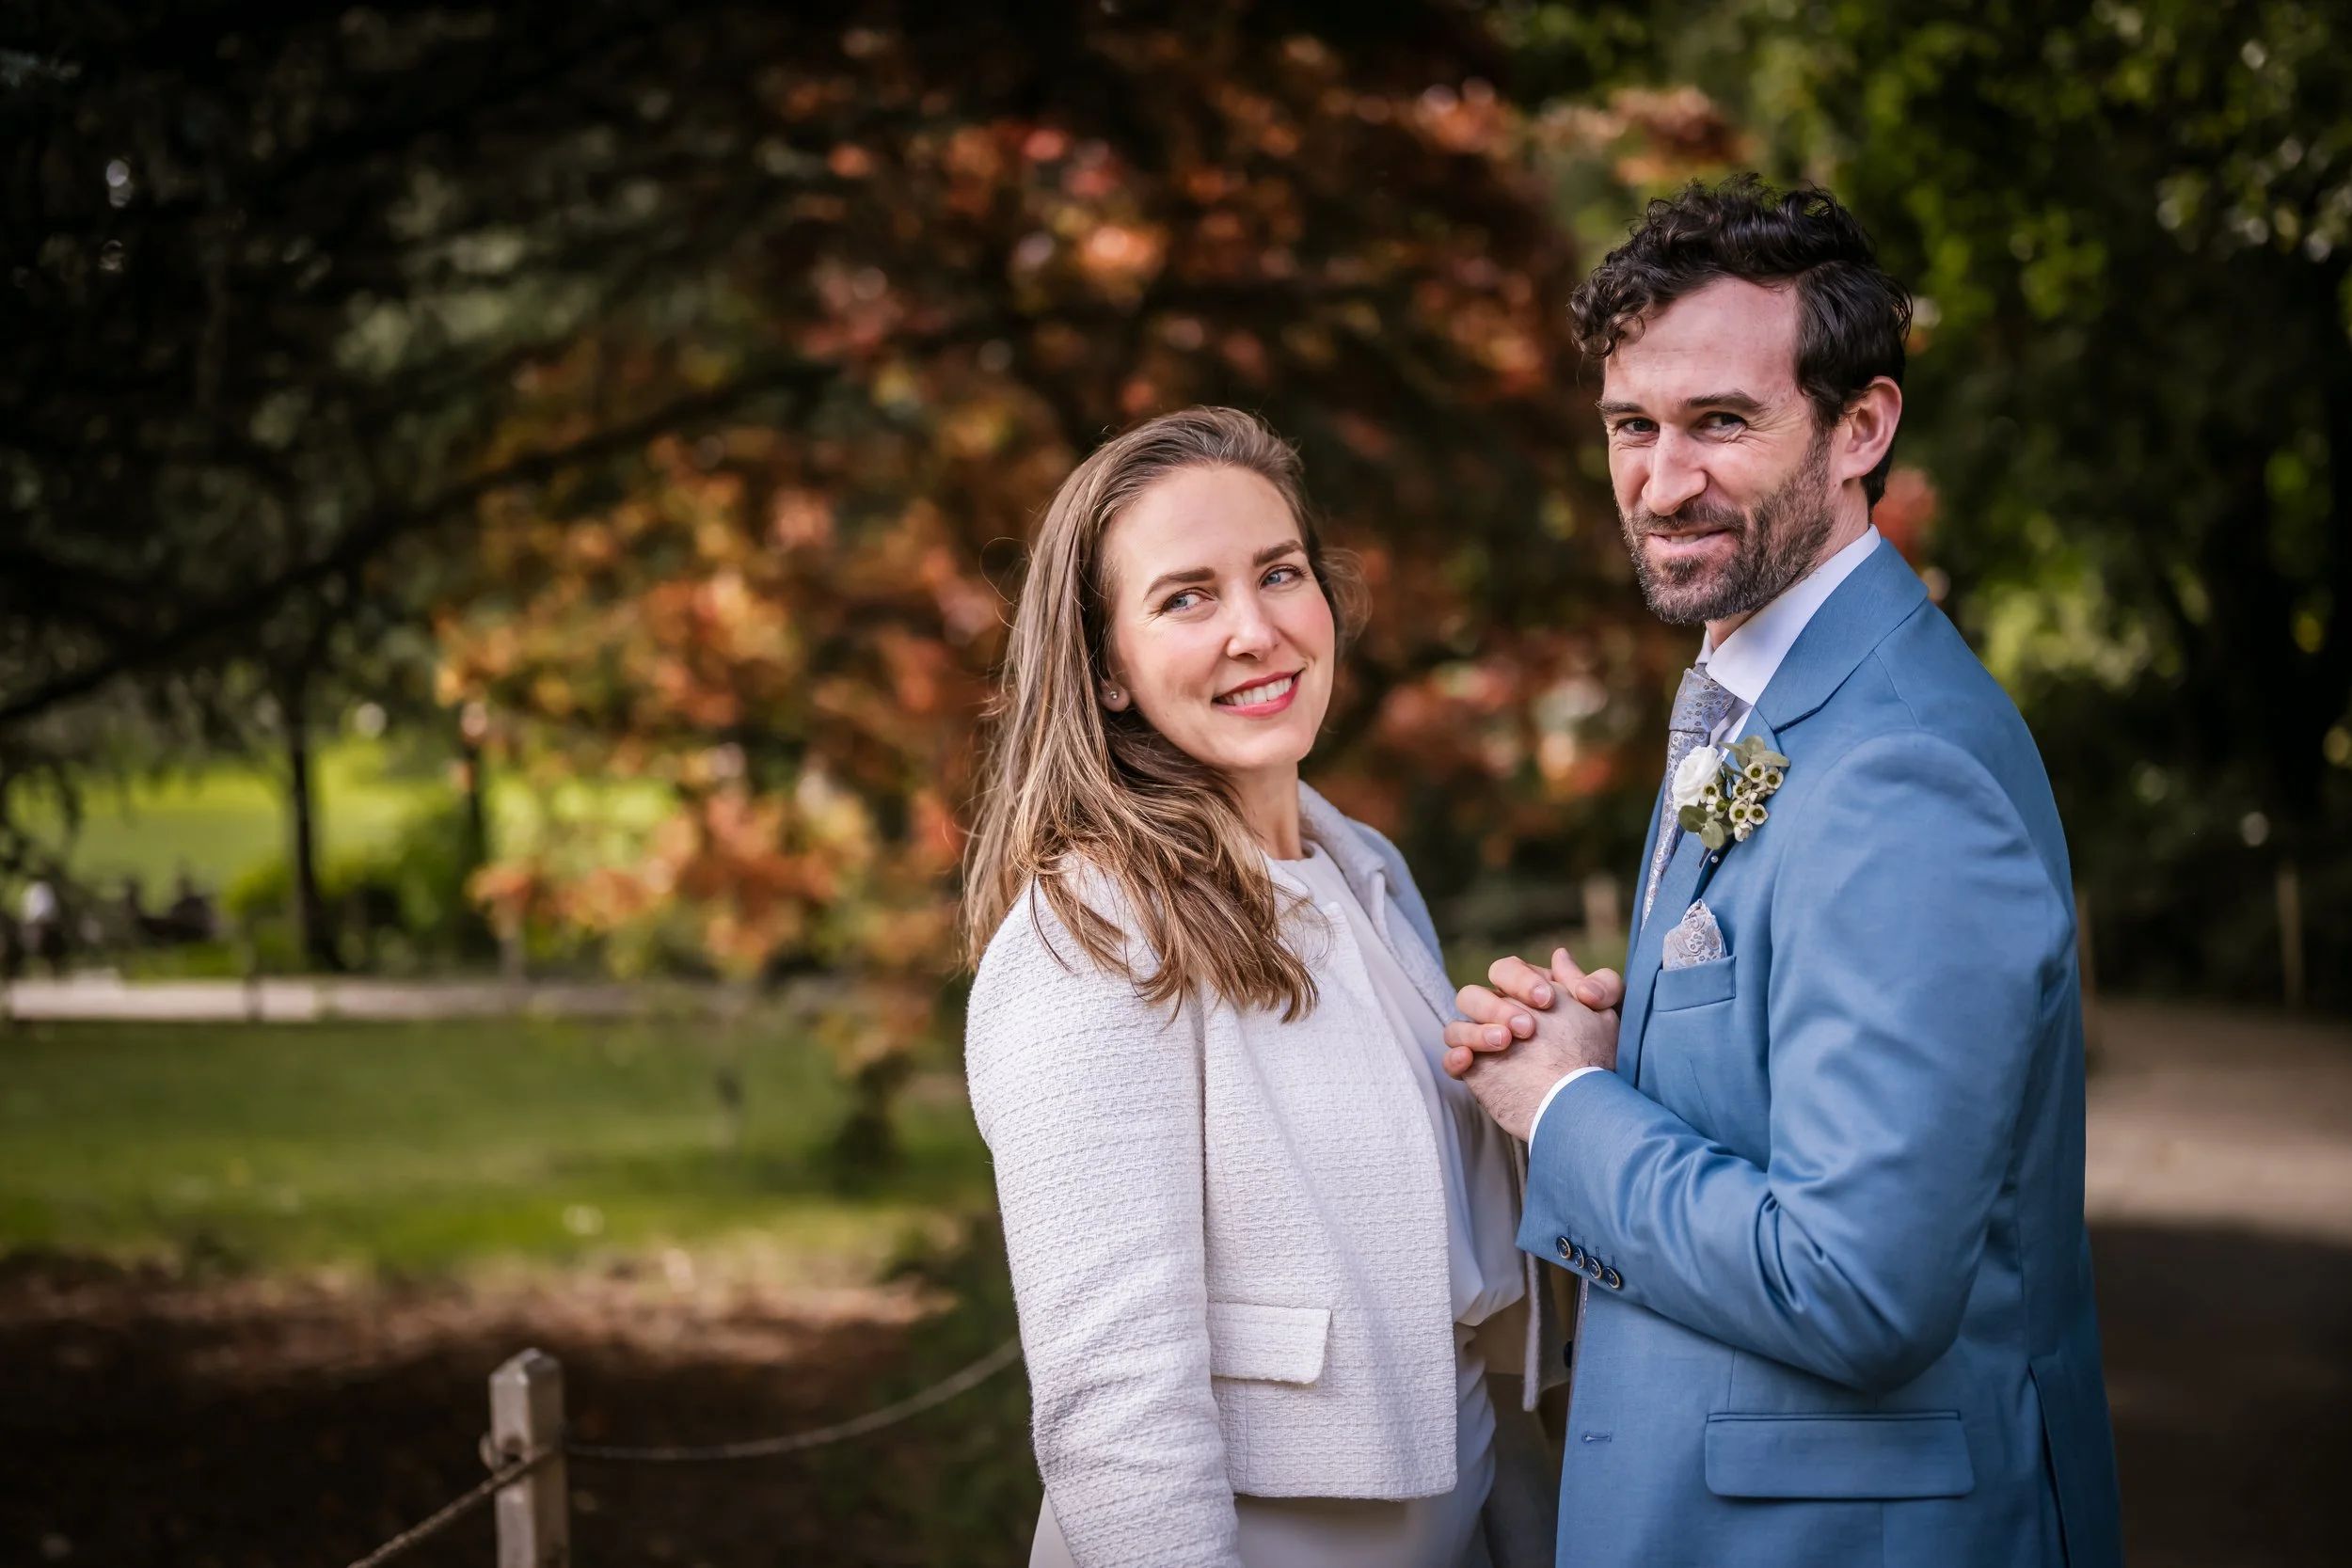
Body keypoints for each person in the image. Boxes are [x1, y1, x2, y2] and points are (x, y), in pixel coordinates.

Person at [1443, 178, 2124, 1567]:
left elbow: (1858, 1281)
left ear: (1862, 424)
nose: (1661, 478)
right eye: (1632, 425)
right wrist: (1623, 1051)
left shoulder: (1899, 768)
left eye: (1722, 423)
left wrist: (1564, 1106)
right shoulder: (1771, 691)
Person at [962, 406, 1565, 1568]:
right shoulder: (1088, 932)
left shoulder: (1363, 872)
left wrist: (1546, 1079)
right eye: (1186, 596)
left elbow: (1440, 1279)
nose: (1256, 628)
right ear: (1109, 670)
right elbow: (1113, 1412)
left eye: (1277, 574)